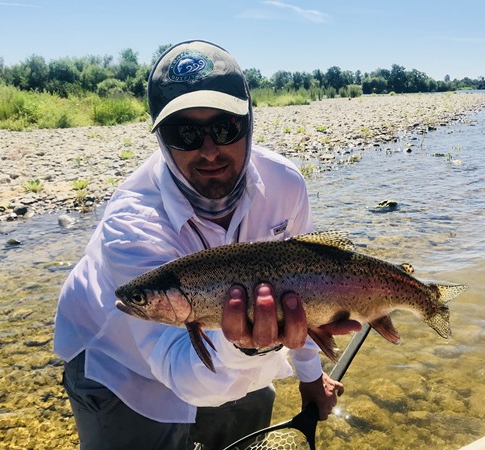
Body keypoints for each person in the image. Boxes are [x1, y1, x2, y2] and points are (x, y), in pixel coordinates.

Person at [54, 39, 359, 450]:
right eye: (186, 134)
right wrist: (251, 348)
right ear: (162, 138)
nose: (210, 150)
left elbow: (300, 294)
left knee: (247, 412)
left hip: (228, 342)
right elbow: (183, 374)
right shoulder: (130, 225)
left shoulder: (285, 185)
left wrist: (309, 375)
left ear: (249, 123)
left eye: (224, 127)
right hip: (119, 362)